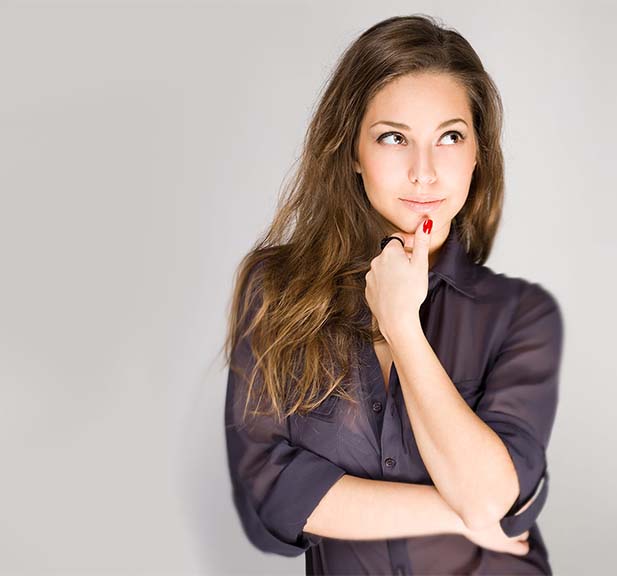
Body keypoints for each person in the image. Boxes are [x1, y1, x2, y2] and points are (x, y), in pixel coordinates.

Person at [223, 14, 563, 575]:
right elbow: (272, 498)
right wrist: (461, 515)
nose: (424, 173)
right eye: (393, 137)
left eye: (450, 137)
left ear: (478, 155)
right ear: (352, 152)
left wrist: (403, 325)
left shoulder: (521, 315)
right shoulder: (275, 290)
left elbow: (490, 492)